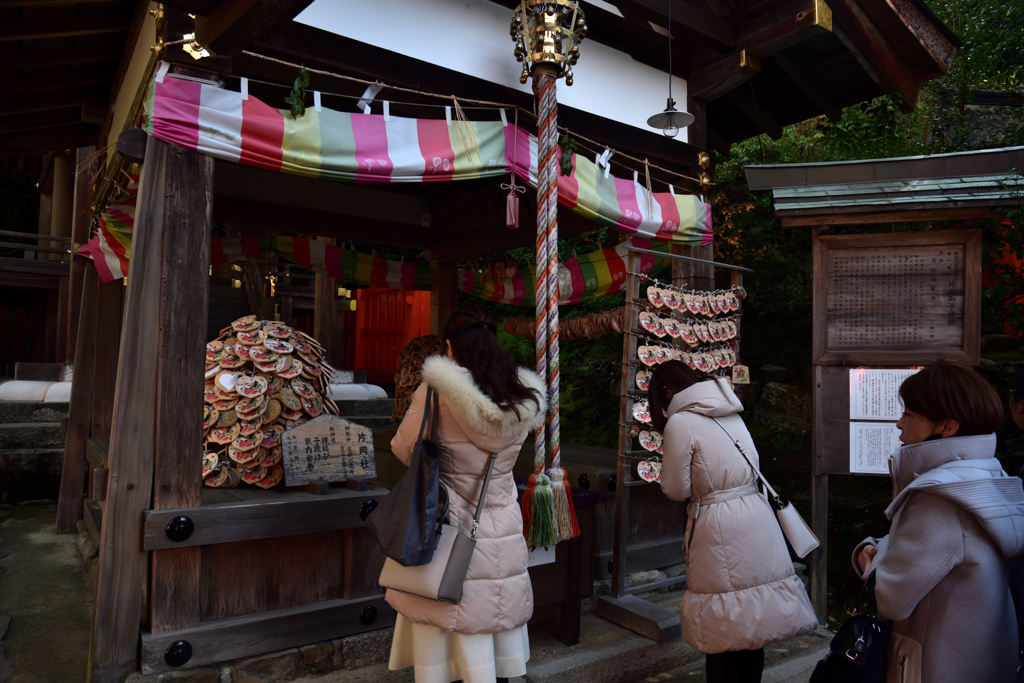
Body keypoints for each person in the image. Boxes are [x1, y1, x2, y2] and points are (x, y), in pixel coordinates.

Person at [386, 306, 546, 683]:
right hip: (500, 520)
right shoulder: (520, 395)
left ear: (450, 347)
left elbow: (403, 448)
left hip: (447, 524)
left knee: (445, 622)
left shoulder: (435, 392)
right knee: (494, 614)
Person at [852, 365, 1024, 683]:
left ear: (946, 426)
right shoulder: (989, 475)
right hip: (983, 659)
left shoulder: (940, 497)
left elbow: (890, 598)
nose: (899, 423)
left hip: (929, 665)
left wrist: (872, 552)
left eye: (909, 415)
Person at [650, 361, 817, 683]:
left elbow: (676, 489)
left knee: (722, 624)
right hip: (755, 513)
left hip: (718, 522)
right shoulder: (730, 411)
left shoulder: (681, 422)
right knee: (751, 622)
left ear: (668, 392)